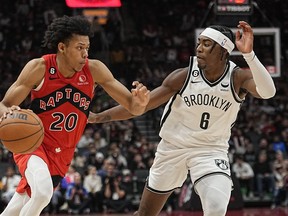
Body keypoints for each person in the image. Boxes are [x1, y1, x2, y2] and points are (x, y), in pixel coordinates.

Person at [89, 21, 276, 216]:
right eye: (199, 43)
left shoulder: (237, 77)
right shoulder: (183, 76)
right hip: (172, 148)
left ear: (222, 50)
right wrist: (97, 118)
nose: (199, 48)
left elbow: (268, 92)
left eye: (206, 44)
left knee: (216, 208)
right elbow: (139, 108)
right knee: (145, 214)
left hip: (210, 151)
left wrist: (249, 54)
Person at [0, 15, 150, 216]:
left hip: (63, 153)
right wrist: (9, 112)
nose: (85, 53)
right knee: (43, 193)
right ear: (62, 47)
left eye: (87, 48)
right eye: (80, 48)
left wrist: (140, 103)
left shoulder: (94, 70)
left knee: (20, 204)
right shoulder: (40, 68)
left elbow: (133, 108)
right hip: (34, 143)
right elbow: (4, 104)